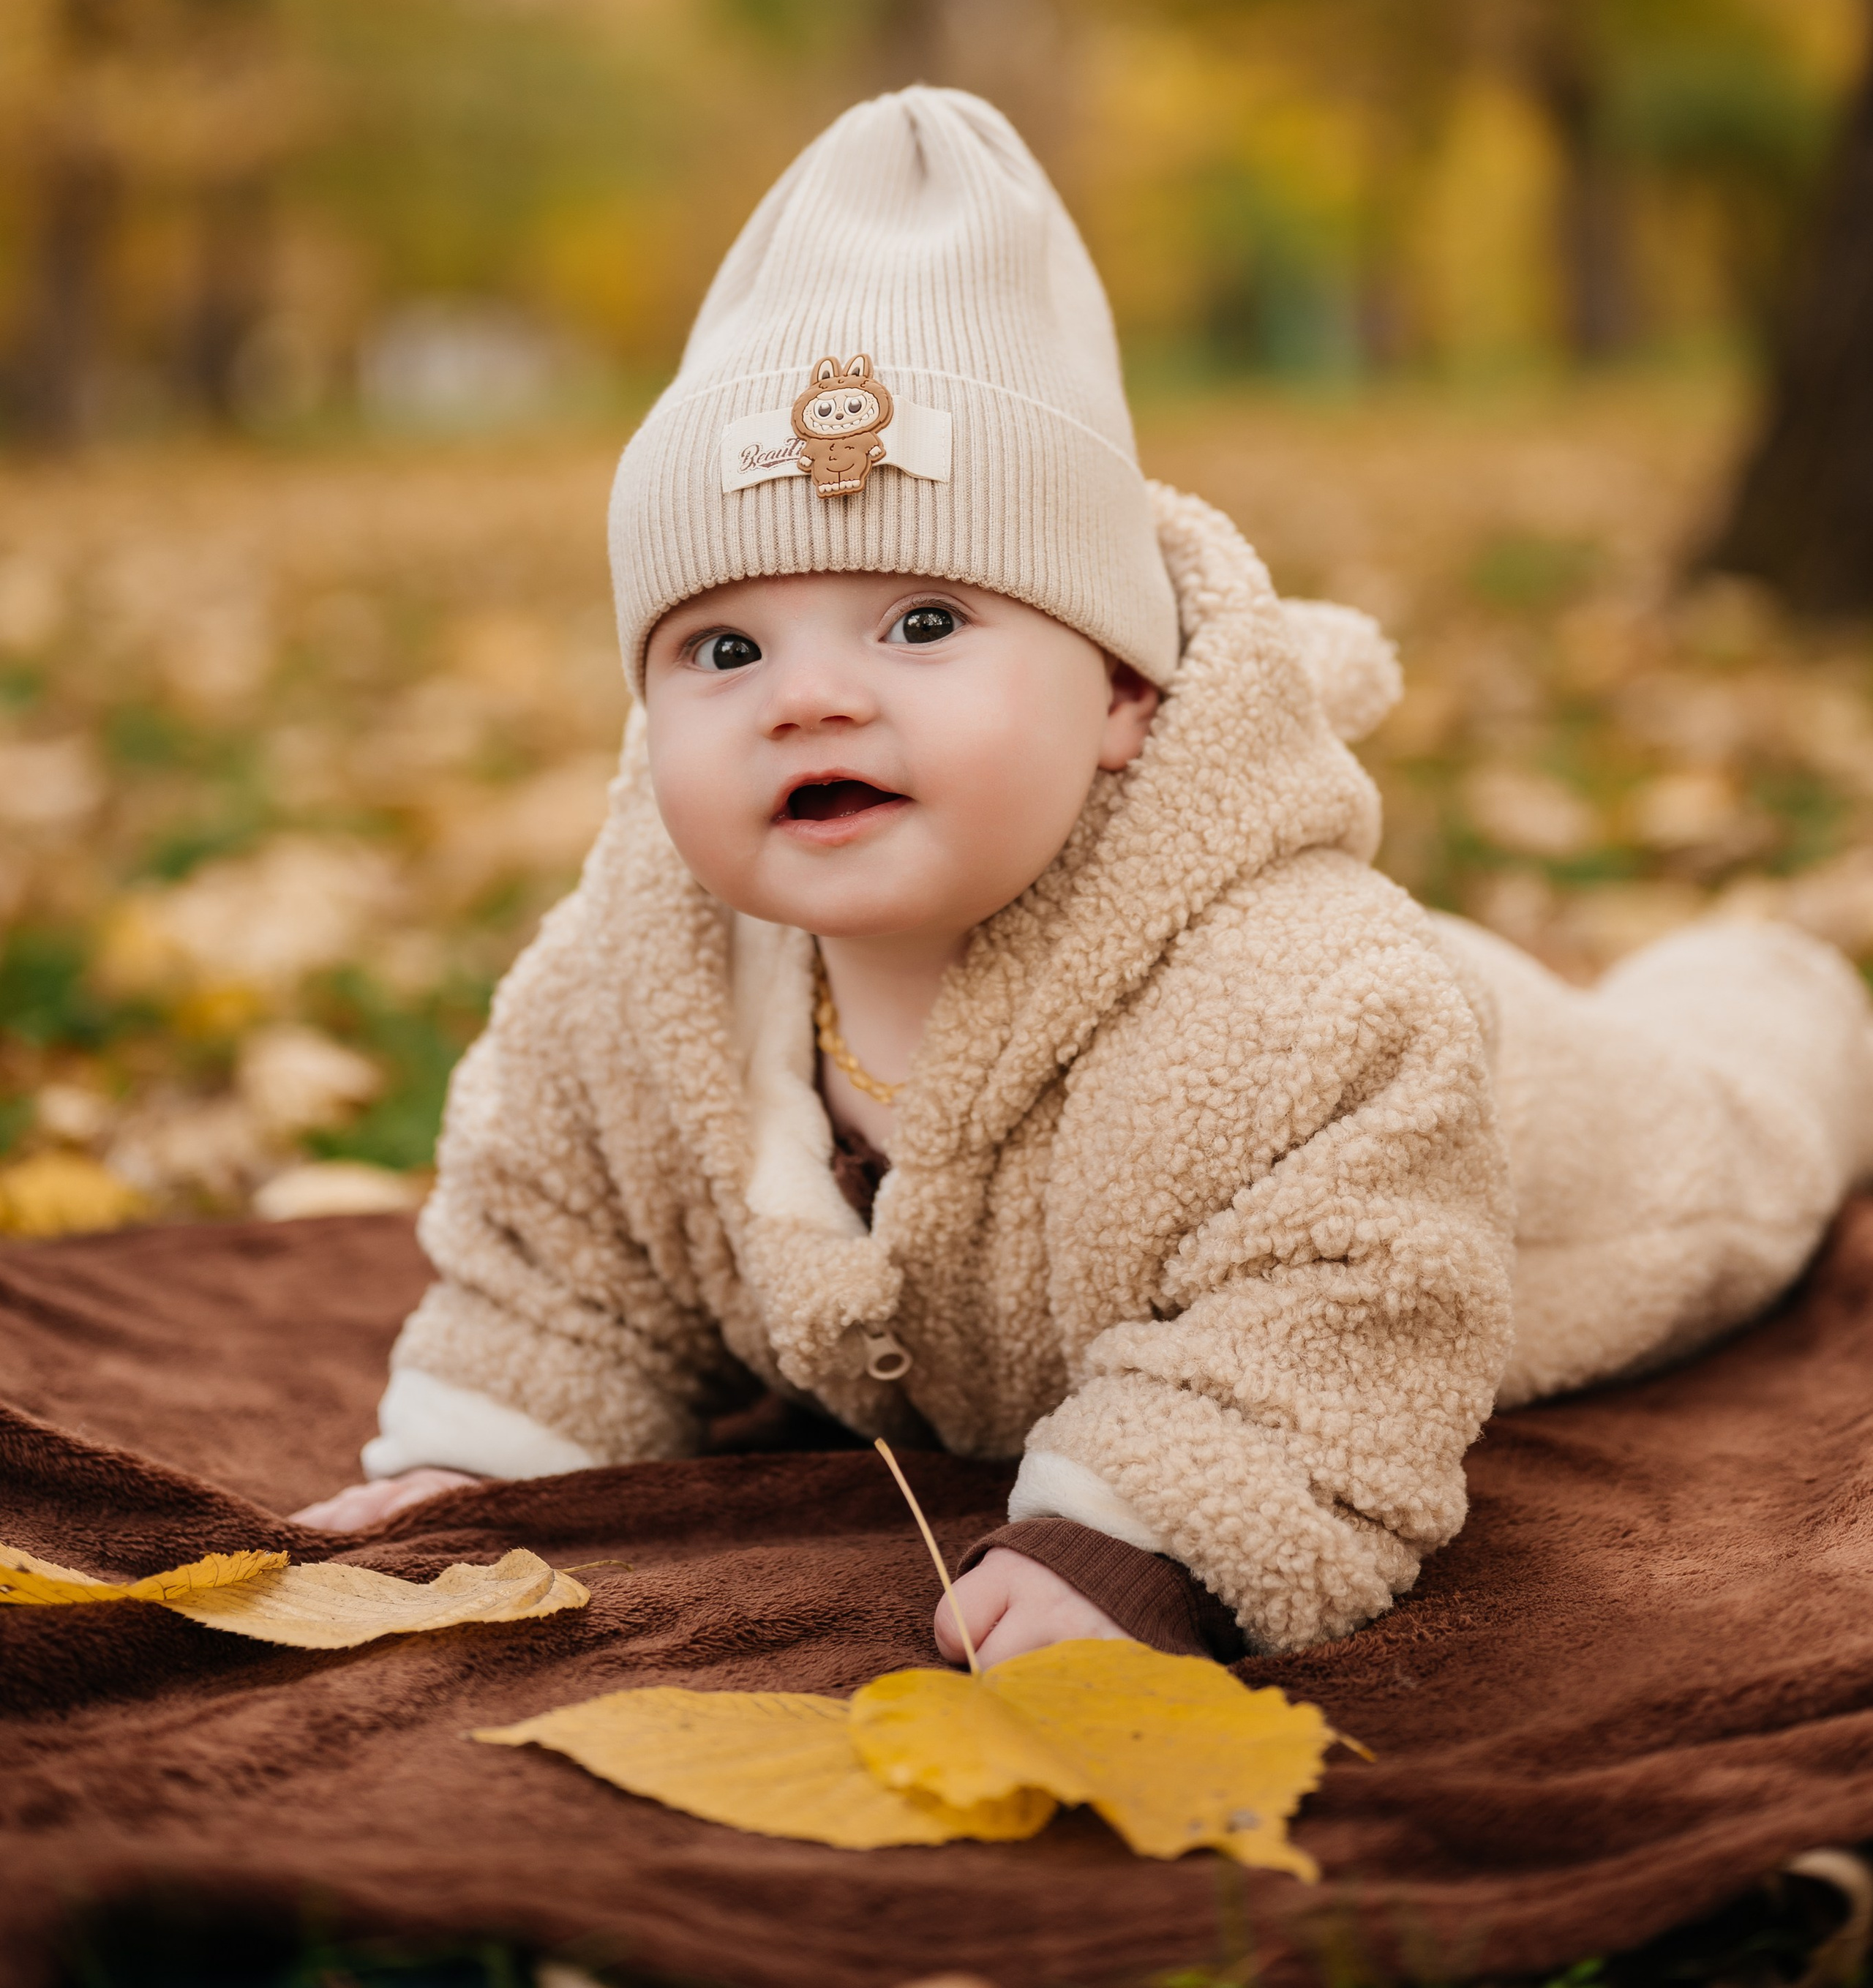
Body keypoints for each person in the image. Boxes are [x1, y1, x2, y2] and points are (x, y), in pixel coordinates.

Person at [296, 88, 1873, 1670]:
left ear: (1123, 692)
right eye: (725, 646)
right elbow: (562, 1251)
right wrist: (485, 1450)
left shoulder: (1309, 1007)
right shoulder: (624, 990)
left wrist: (1142, 1528)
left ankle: (1784, 987)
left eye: (921, 623)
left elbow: (1342, 1304)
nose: (810, 696)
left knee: (1742, 1100)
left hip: (1563, 1157)